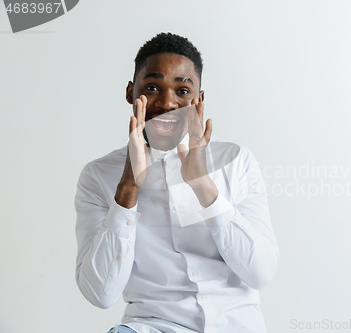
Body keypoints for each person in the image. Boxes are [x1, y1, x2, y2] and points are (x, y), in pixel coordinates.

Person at [74, 32, 279, 333]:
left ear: (199, 98)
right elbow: (100, 294)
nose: (168, 103)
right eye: (153, 87)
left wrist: (203, 186)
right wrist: (128, 188)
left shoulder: (236, 160)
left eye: (182, 91)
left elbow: (261, 273)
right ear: (131, 92)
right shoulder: (99, 176)